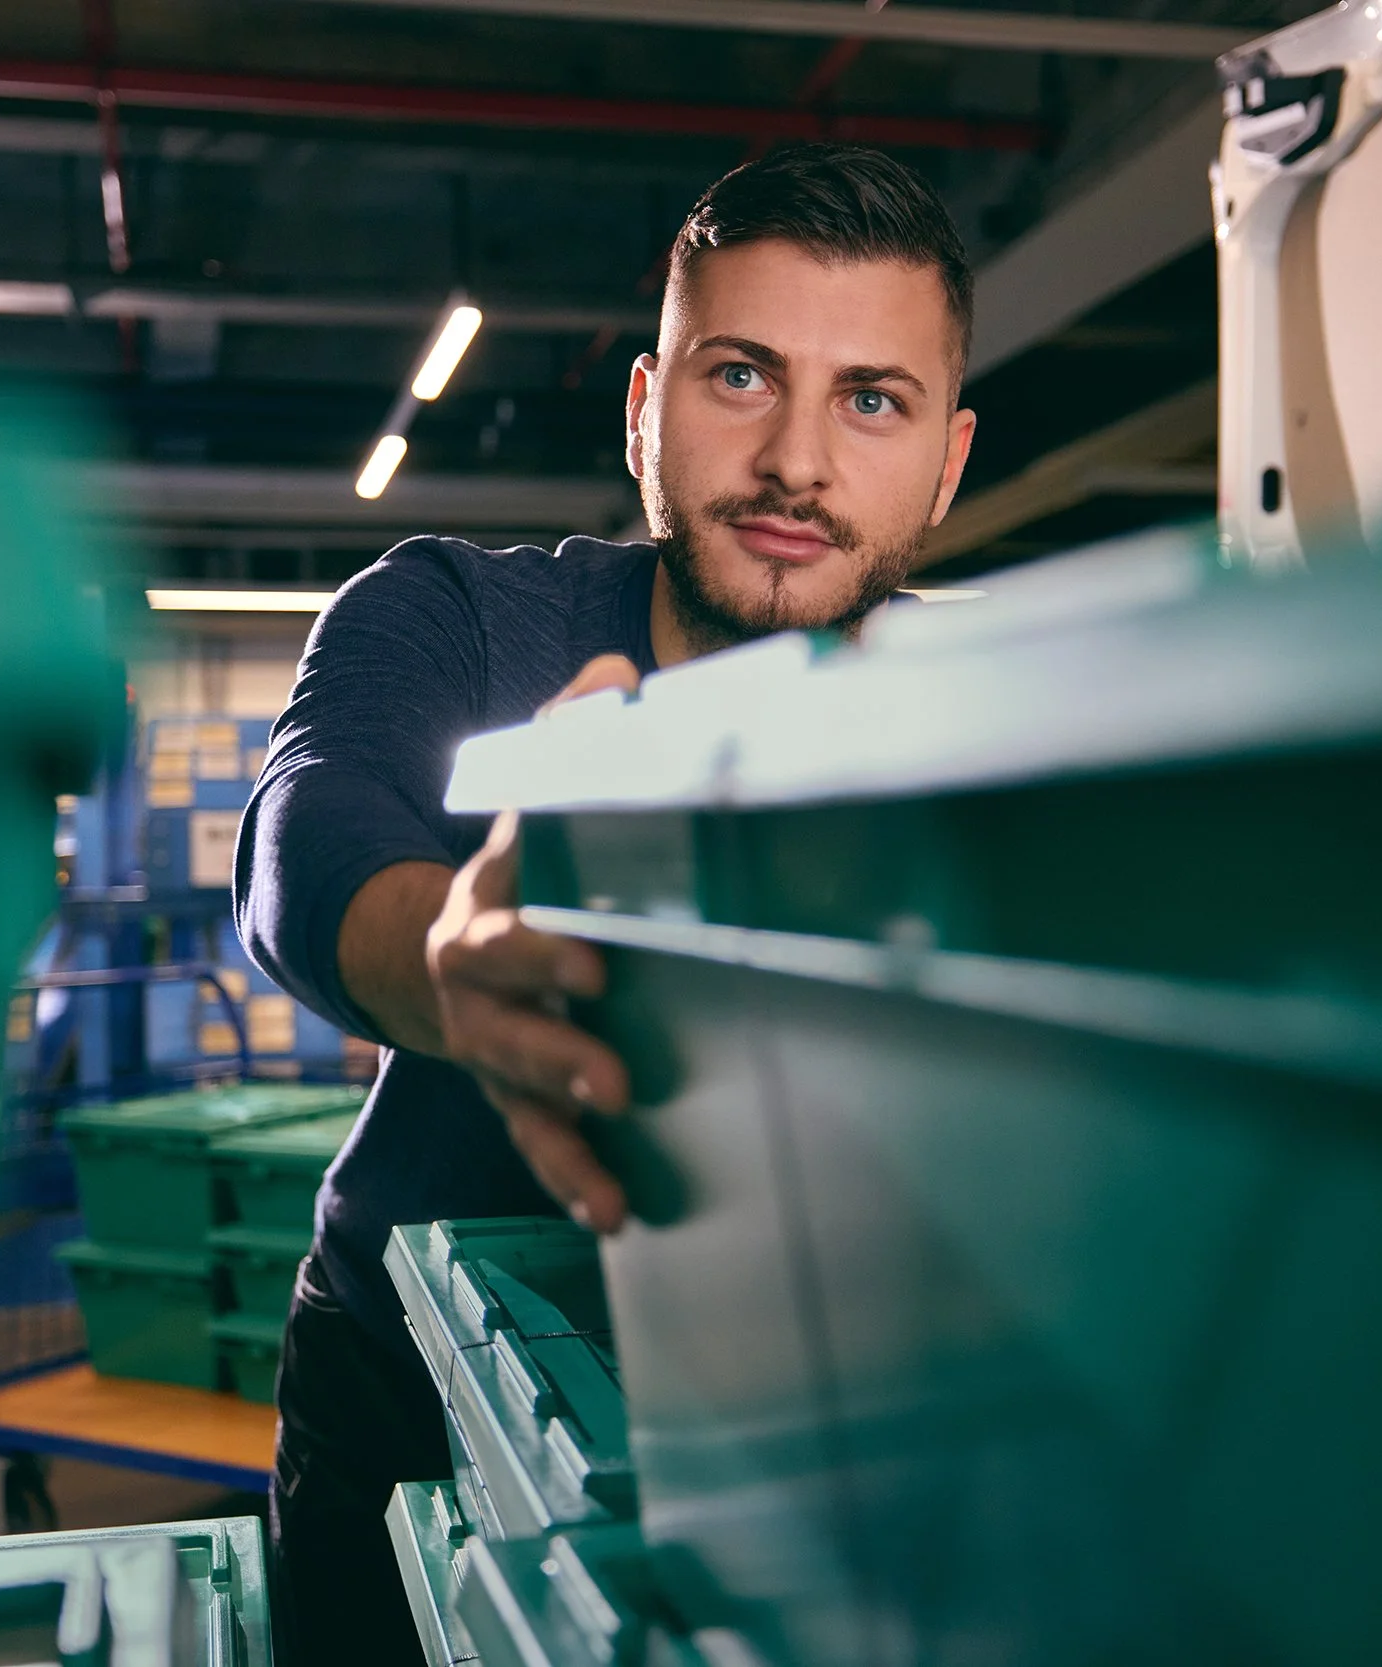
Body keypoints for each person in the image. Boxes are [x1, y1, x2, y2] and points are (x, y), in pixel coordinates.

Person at [233, 141, 978, 1666]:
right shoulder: (452, 615)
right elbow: (309, 837)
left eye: (873, 400)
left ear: (949, 461)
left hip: (818, 1423)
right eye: (742, 375)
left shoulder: (994, 711)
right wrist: (454, 963)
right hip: (413, 1391)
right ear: (646, 407)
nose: (798, 464)